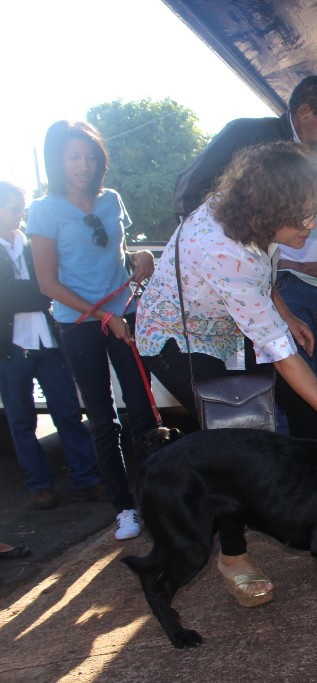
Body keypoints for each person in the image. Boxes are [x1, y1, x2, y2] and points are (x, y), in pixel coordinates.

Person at [136, 141, 317, 607]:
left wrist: (283, 312)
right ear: (270, 210)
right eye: (303, 217)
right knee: (232, 441)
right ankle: (234, 556)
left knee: (295, 412)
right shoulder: (225, 250)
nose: (311, 227)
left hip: (228, 324)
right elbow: (282, 353)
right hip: (176, 337)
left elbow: (263, 276)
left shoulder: (252, 216)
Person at [172, 74, 317, 437]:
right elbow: (190, 191)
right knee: (262, 405)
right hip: (215, 313)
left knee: (315, 389)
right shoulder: (250, 139)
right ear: (305, 112)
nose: (311, 224)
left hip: (273, 287)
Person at [27, 121, 157, 541]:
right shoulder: (44, 210)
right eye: (73, 157)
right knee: (103, 419)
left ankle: (159, 499)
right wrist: (103, 316)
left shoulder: (112, 200)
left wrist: (139, 257)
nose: (83, 165)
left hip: (123, 312)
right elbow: (48, 284)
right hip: (80, 324)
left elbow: (120, 250)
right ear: (58, 160)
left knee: (143, 408)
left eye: (89, 156)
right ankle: (124, 508)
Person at [0, 181, 106, 510]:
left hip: (47, 340)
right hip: (9, 347)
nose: (20, 214)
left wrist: (38, 289)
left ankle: (85, 479)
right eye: (14, 207)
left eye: (22, 208)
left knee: (69, 412)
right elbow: (42, 289)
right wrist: (39, 289)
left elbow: (51, 285)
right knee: (21, 420)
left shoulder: (34, 244)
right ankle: (39, 485)